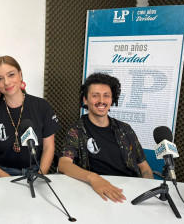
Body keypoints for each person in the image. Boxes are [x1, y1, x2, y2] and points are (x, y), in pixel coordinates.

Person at [58, 72, 153, 203]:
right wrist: (93, 178)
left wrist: (147, 190)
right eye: (95, 96)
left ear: (112, 99)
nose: (101, 101)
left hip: (130, 192)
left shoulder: (125, 129)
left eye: (106, 96)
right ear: (85, 99)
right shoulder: (76, 131)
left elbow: (143, 166)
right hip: (97, 194)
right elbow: (63, 164)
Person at [0, 55, 60, 177]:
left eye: (11, 75)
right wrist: (6, 178)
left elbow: (49, 147)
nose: (6, 82)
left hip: (36, 171)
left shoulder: (42, 106)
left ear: (20, 75)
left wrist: (40, 174)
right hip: (2, 173)